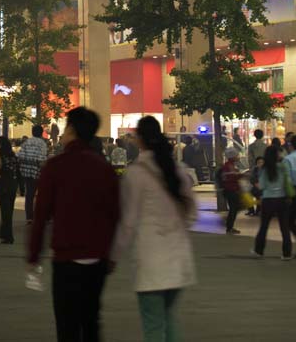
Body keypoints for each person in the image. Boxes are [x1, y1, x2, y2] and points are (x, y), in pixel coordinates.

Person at [28, 107, 120, 342]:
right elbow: (114, 214)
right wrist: (110, 253)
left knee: (67, 324)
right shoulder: (103, 168)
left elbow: (41, 216)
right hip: (97, 258)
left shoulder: (56, 166)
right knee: (91, 320)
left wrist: (34, 254)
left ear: (71, 129)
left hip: (66, 257)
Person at [111, 116, 196, 342]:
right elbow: (192, 214)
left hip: (151, 261)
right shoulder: (177, 170)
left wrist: (113, 255)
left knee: (153, 326)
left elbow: (128, 222)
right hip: (178, 259)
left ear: (139, 139)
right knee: (169, 320)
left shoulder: (136, 173)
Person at [251, 144, 293, 259]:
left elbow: (262, 186)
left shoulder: (265, 169)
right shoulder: (283, 166)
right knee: (284, 227)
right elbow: (287, 181)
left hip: (268, 200)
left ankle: (259, 251)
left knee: (264, 226)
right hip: (282, 200)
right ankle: (287, 253)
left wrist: (255, 185)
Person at [17, 125, 48, 224]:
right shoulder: (42, 144)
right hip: (37, 172)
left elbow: (19, 156)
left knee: (29, 195)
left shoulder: (26, 142)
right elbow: (41, 159)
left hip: (26, 172)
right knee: (42, 195)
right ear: (41, 132)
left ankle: (29, 217)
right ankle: (41, 216)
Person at [0, 136, 20, 245]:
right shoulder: (13, 155)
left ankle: (8, 236)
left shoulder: (0, 155)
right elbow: (18, 171)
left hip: (3, 185)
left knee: (5, 212)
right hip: (13, 185)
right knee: (9, 210)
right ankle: (4, 233)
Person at [219, 148, 243, 235]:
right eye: (237, 155)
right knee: (234, 208)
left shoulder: (230, 165)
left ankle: (229, 225)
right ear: (232, 156)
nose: (238, 157)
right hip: (231, 190)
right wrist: (241, 175)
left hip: (231, 190)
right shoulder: (228, 166)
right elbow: (231, 177)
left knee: (235, 208)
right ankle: (229, 227)